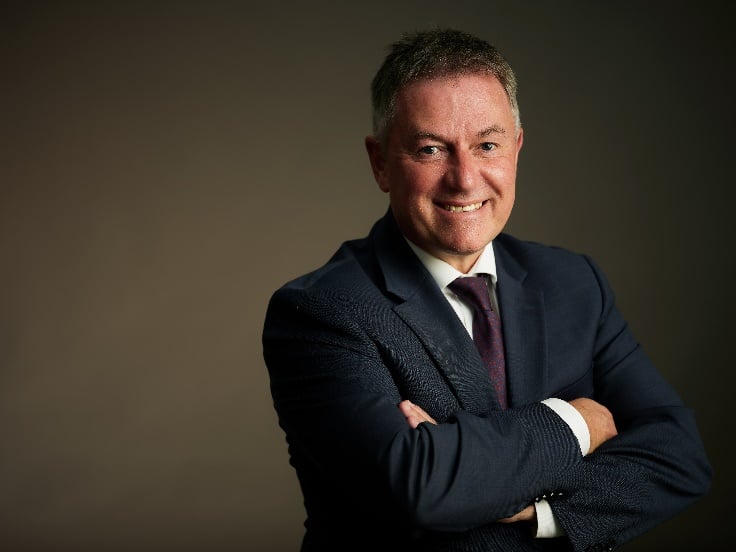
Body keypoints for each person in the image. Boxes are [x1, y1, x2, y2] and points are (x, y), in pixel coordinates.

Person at [262, 28, 711, 551]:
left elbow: (680, 458)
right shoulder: (321, 310)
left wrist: (531, 506)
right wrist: (577, 422)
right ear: (380, 161)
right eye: (431, 149)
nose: (465, 179)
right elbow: (421, 490)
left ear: (516, 149)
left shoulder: (573, 282)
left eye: (487, 146)